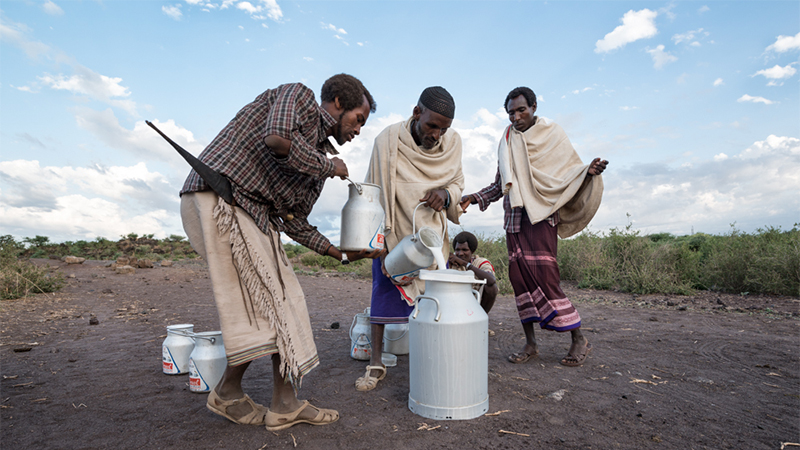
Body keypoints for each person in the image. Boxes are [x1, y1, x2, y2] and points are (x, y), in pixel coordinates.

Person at [179, 74, 384, 430]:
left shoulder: (315, 161)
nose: (358, 130)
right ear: (337, 102)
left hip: (251, 213)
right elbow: (277, 138)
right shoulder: (299, 96)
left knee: (282, 302)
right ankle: (283, 403)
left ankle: (231, 393)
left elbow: (294, 221)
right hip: (223, 197)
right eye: (358, 119)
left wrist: (344, 255)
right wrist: (328, 166)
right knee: (277, 303)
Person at [460, 86, 608, 367]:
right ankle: (531, 343)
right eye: (510, 112)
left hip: (542, 220)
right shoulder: (507, 141)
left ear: (534, 107)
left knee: (547, 278)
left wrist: (586, 174)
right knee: (520, 282)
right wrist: (473, 197)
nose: (515, 117)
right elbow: (499, 184)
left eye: (520, 110)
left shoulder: (553, 136)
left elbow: (568, 175)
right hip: (514, 223)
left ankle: (579, 339)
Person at [355, 86, 465, 391]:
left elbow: (456, 182)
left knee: (434, 297)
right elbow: (373, 188)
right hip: (393, 229)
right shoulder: (388, 140)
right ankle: (376, 362)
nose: (437, 135)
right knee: (383, 290)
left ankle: (434, 354)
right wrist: (374, 238)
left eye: (444, 129)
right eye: (432, 125)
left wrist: (445, 194)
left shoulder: (453, 144)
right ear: (416, 113)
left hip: (430, 232)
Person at [447, 231, 498, 315]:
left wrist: (465, 264)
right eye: (457, 250)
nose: (460, 253)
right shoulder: (451, 262)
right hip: (453, 304)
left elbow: (491, 280)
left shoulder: (480, 263)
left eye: (465, 250)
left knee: (492, 288)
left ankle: (481, 316)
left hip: (475, 304)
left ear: (472, 250)